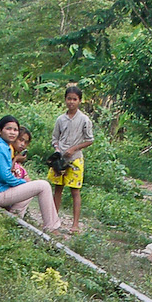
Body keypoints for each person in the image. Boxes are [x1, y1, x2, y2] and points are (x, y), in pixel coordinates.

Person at [0, 116, 63, 233]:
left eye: (15, 130)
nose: (12, 133)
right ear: (0, 131)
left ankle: (13, 219)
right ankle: (52, 227)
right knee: (43, 186)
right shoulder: (0, 148)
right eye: (8, 129)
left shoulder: (3, 146)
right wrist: (24, 183)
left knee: (29, 190)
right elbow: (6, 176)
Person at [48, 85, 95, 234]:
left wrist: (74, 149)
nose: (71, 102)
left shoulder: (84, 120)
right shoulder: (60, 119)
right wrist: (57, 149)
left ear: (80, 101)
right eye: (69, 99)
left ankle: (75, 225)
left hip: (75, 159)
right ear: (65, 100)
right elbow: (54, 138)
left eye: (74, 99)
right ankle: (53, 221)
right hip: (60, 160)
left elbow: (90, 140)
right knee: (57, 190)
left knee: (75, 191)